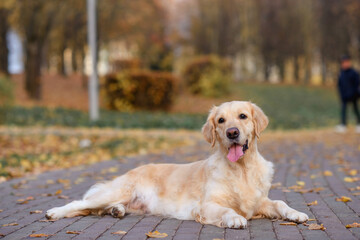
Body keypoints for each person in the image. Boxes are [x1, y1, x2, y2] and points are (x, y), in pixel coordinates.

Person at [335, 55, 360, 133]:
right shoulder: (341, 73)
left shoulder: (353, 73)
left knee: (355, 109)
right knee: (343, 110)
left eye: (347, 62)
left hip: (353, 95)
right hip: (344, 96)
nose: (345, 64)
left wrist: (357, 93)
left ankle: (359, 124)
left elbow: (358, 83)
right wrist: (340, 93)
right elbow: (339, 84)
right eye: (343, 63)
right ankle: (343, 125)